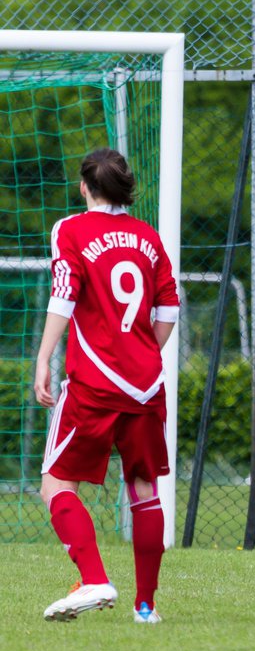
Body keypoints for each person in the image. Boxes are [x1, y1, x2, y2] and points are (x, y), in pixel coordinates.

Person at [34, 148, 180, 623]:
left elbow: (64, 294)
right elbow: (169, 311)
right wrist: (143, 352)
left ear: (84, 187)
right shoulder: (149, 237)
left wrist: (43, 358)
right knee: (143, 487)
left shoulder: (70, 229)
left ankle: (94, 577)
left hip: (93, 381)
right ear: (126, 188)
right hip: (144, 384)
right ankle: (146, 606)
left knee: (56, 483)